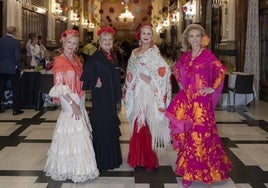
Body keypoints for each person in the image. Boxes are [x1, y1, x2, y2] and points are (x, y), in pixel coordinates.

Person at [165, 24, 232, 187]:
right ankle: (189, 171)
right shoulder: (186, 56)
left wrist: (212, 87)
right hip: (188, 100)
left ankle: (201, 172)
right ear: (187, 39)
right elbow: (176, 69)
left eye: (197, 36)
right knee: (189, 135)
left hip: (202, 104)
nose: (194, 39)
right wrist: (181, 85)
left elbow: (221, 71)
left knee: (200, 135)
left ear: (202, 38)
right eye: (191, 36)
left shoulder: (207, 55)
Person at [44, 29, 99, 182]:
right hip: (68, 97)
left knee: (78, 127)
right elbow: (59, 86)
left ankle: (75, 166)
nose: (72, 46)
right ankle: (69, 167)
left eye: (75, 43)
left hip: (78, 95)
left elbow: (81, 78)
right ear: (63, 42)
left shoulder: (75, 58)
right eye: (69, 42)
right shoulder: (60, 60)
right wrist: (72, 103)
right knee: (74, 125)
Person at [123, 23, 172, 171]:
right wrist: (128, 85)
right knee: (138, 123)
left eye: (149, 34)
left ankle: (146, 157)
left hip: (147, 92)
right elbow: (129, 71)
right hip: (135, 91)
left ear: (152, 36)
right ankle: (137, 156)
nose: (146, 36)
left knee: (143, 123)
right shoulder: (134, 52)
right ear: (140, 35)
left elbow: (165, 70)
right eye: (144, 33)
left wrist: (151, 80)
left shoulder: (154, 52)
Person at [80, 26, 122, 172]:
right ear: (99, 42)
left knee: (110, 125)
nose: (108, 42)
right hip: (101, 99)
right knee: (102, 126)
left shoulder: (113, 57)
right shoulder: (95, 57)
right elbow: (85, 74)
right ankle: (103, 160)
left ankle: (113, 158)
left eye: (110, 40)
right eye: (105, 40)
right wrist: (94, 80)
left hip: (111, 99)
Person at [0, 26, 24, 115]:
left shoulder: (1, 40)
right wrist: (20, 67)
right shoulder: (16, 42)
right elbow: (17, 57)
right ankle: (15, 110)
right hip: (13, 69)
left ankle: (0, 108)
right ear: (14, 33)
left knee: (1, 88)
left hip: (1, 69)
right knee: (16, 89)